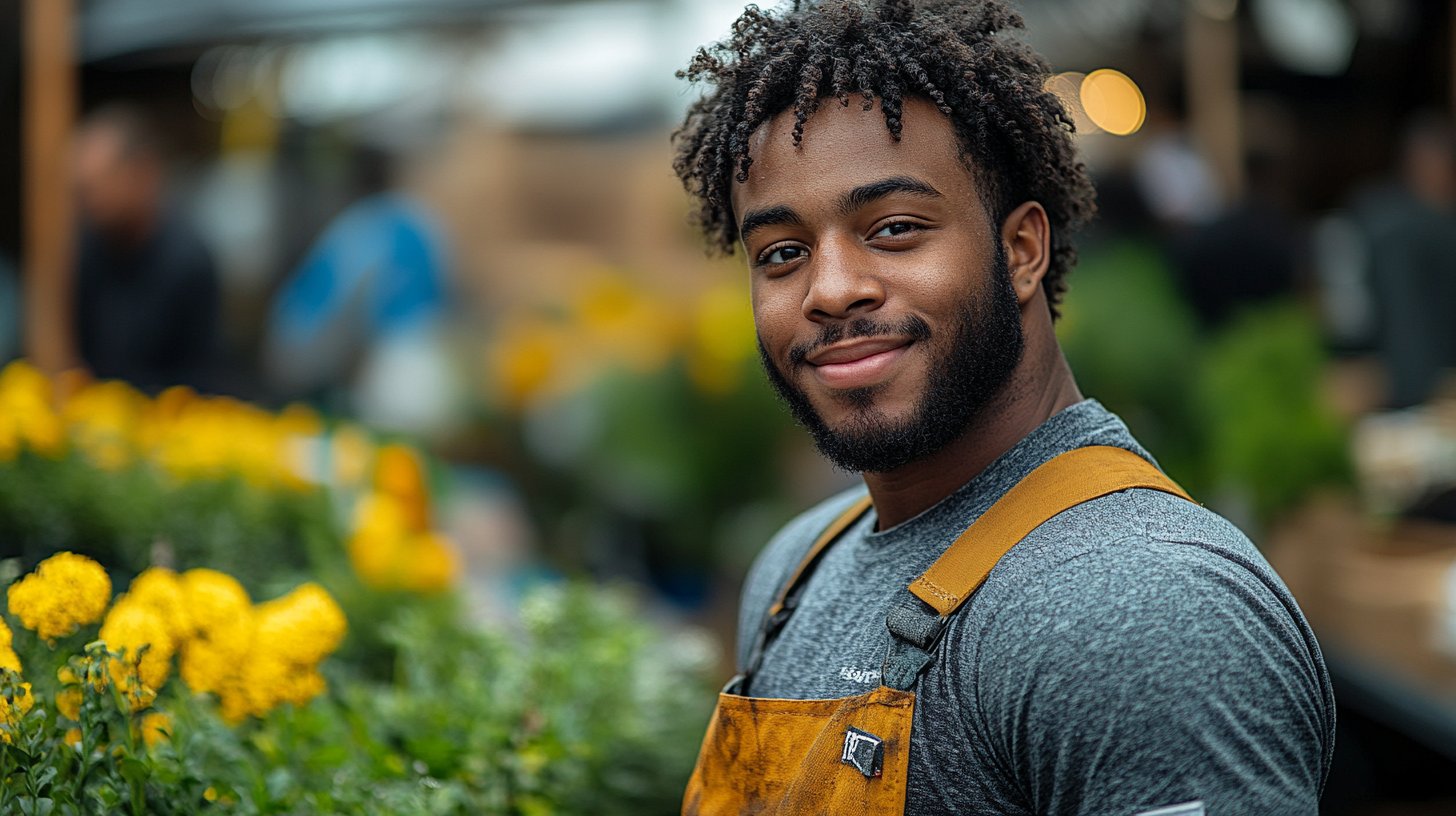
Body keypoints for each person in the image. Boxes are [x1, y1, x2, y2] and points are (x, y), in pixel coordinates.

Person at [670, 2, 1334, 814]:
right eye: (782, 253)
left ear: (1021, 250)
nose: (831, 288)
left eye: (895, 228)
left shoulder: (1138, 609)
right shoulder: (794, 570)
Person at [72, 104, 221, 392]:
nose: (90, 201)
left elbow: (198, 376)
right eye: (82, 189)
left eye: (98, 185)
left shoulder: (187, 262)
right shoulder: (85, 252)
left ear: (142, 173)